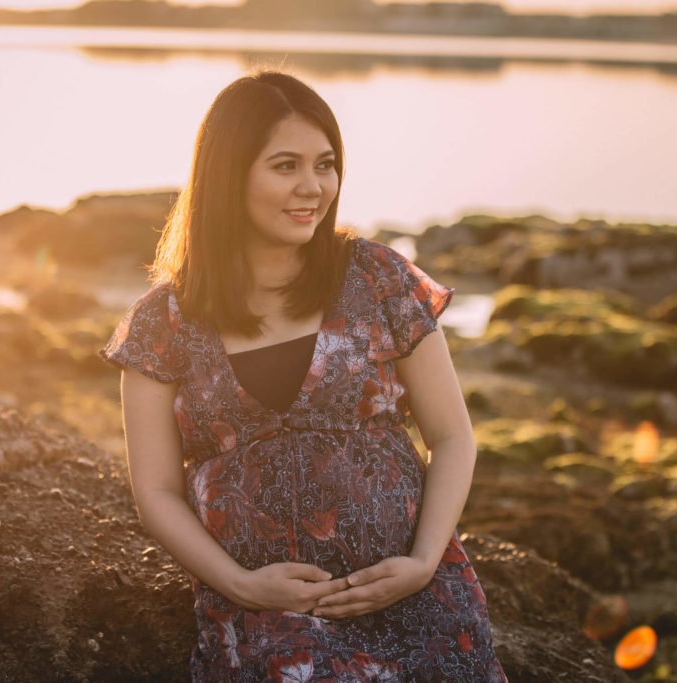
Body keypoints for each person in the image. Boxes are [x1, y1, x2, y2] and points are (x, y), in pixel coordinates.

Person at [99, 69, 507, 682]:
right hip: (266, 607)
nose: (313, 187)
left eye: (325, 164)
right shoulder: (163, 321)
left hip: (407, 588)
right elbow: (155, 491)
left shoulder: (376, 278)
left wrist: (424, 562)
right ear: (228, 174)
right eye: (285, 166)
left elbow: (452, 437)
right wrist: (241, 585)